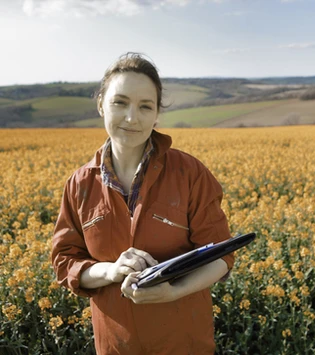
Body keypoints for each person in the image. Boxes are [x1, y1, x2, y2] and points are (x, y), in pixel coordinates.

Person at [51, 52, 234, 355]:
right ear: (101, 105)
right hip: (115, 346)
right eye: (120, 102)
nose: (132, 117)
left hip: (183, 343)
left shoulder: (190, 173)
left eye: (145, 106)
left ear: (156, 114)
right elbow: (65, 262)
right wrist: (110, 271)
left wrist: (173, 291)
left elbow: (220, 255)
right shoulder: (80, 184)